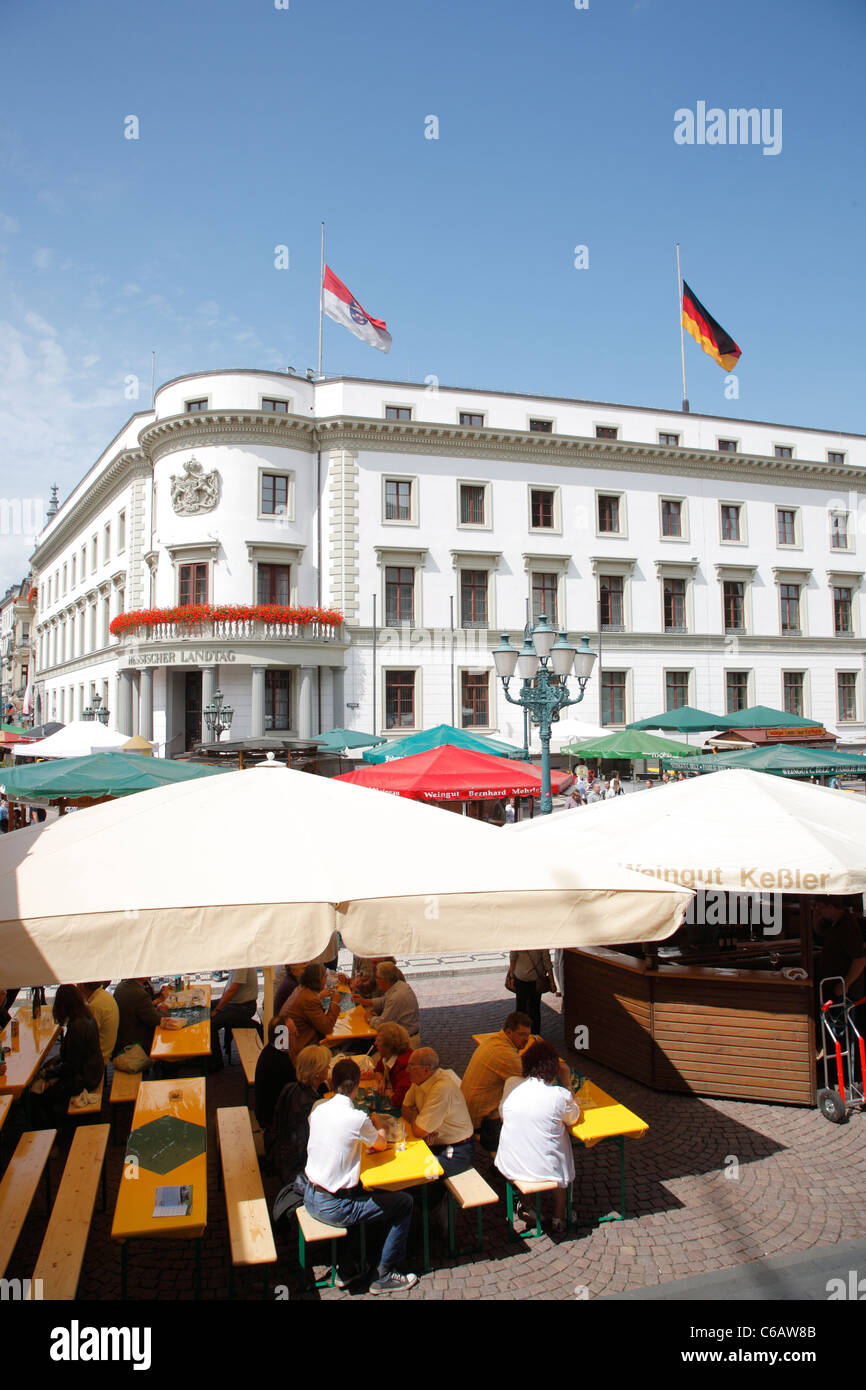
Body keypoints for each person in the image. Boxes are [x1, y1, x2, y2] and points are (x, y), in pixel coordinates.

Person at [304, 1057, 418, 1295]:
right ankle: (384, 1274)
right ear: (356, 1086)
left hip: (310, 1195)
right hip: (334, 1206)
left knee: (359, 1190)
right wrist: (381, 1127)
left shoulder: (318, 1110)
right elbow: (379, 1143)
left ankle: (349, 1266)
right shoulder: (356, 1118)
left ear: (331, 1082)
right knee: (404, 1202)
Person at [495, 1039, 581, 1233]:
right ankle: (560, 1215)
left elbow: (503, 1114)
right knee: (560, 1146)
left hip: (511, 1163)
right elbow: (574, 1117)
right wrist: (567, 1081)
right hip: (547, 1167)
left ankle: (528, 1205)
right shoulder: (559, 1095)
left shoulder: (513, 1088)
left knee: (532, 1139)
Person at [269, 1043, 331, 1210]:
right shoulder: (311, 1105)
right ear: (318, 1072)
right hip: (298, 1170)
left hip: (280, 1156)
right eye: (326, 1065)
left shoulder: (290, 1088)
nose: (329, 1067)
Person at [460, 1011, 532, 1149]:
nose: (526, 1039)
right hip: (479, 1117)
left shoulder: (495, 1040)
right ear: (509, 1032)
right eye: (522, 1035)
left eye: (528, 1035)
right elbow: (531, 1081)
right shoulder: (505, 1054)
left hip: (468, 1105)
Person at [401, 1048, 475, 1181]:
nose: (407, 1070)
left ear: (427, 1069)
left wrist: (415, 1116)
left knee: (418, 1172)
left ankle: (424, 1200)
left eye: (411, 1066)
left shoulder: (441, 1089)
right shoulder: (420, 1080)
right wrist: (421, 1126)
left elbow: (418, 1131)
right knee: (407, 1163)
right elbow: (404, 1108)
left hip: (458, 1150)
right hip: (436, 1143)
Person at [37, 984, 104, 1123]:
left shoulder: (77, 1026)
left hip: (85, 1078)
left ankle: (50, 1131)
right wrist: (53, 1066)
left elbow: (71, 1066)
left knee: (38, 1096)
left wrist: (48, 1073)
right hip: (92, 1070)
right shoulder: (85, 1016)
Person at [279, 962, 346, 1061]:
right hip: (299, 1050)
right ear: (317, 980)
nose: (326, 979)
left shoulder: (300, 989)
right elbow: (327, 1028)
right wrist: (334, 1003)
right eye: (325, 976)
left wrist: (319, 996)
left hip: (287, 1044)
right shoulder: (309, 1000)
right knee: (342, 1044)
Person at [210, 966, 260, 1072]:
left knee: (212, 1024)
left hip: (243, 1006)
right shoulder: (238, 961)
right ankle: (205, 1054)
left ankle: (216, 1062)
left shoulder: (242, 963)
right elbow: (230, 988)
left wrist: (218, 1009)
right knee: (207, 1007)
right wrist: (219, 1004)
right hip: (235, 1003)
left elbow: (233, 989)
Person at [254, 1014, 299, 1134]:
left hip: (266, 1112)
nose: (297, 1036)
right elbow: (296, 1094)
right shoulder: (278, 1063)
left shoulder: (271, 1050)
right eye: (294, 1034)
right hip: (273, 1121)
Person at [361, 961, 420, 1048]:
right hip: (408, 1033)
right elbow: (385, 1000)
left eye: (377, 978)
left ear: (384, 980)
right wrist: (366, 1001)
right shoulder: (401, 985)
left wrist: (369, 1018)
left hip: (403, 1042)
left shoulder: (396, 997)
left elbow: (382, 1024)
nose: (376, 980)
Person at [113, 977, 173, 1058]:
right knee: (170, 1034)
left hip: (122, 1036)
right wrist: (165, 1011)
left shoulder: (123, 985)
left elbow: (142, 1006)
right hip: (135, 1041)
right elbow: (155, 1020)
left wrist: (159, 996)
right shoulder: (138, 992)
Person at [508, 949, 557, 1034]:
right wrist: (552, 981)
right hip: (536, 979)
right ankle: (534, 1035)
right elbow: (546, 961)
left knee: (521, 1008)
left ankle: (519, 1034)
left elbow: (513, 957)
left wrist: (511, 976)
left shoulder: (518, 938)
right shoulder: (542, 940)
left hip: (520, 977)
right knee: (535, 1008)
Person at [372, 1022, 413, 1110]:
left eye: (378, 1041)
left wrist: (388, 1092)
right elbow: (377, 1070)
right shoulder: (387, 1056)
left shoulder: (405, 1067)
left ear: (389, 1047)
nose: (375, 1043)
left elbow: (397, 1101)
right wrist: (382, 1080)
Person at [78, 981, 119, 1065]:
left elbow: (86, 1037)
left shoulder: (95, 1006)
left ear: (82, 985)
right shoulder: (104, 995)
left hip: (97, 1058)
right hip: (106, 1050)